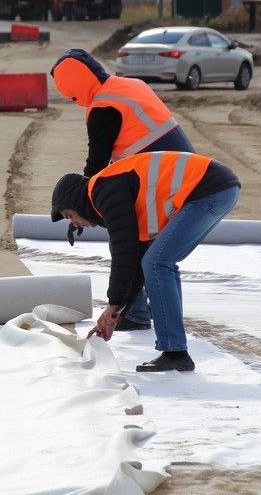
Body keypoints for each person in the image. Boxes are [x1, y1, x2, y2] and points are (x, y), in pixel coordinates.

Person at [50, 151, 240, 372]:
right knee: (157, 262)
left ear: (76, 201)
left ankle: (175, 352)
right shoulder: (109, 192)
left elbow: (124, 254)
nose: (75, 223)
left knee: (157, 263)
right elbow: (135, 263)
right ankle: (175, 349)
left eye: (69, 215)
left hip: (208, 189)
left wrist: (113, 304)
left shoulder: (104, 190)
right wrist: (116, 313)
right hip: (217, 187)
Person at [50, 48, 196, 332]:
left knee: (130, 243)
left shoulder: (103, 108)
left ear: (72, 86)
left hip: (161, 180)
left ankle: (137, 313)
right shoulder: (128, 85)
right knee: (160, 254)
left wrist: (82, 206)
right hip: (180, 172)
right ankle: (159, 310)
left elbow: (96, 167)